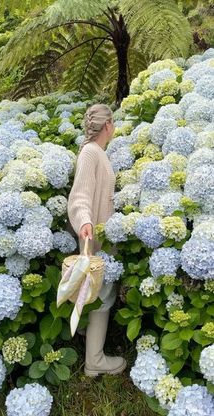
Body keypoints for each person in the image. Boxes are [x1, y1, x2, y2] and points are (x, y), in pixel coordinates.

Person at [68, 104, 127, 377]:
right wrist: (85, 221)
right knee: (102, 296)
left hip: (102, 236)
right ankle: (95, 361)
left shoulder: (96, 152)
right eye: (112, 123)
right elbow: (80, 194)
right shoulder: (91, 153)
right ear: (107, 126)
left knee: (95, 292)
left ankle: (85, 334)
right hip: (96, 239)